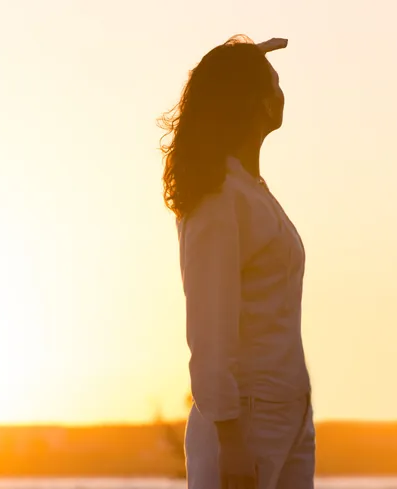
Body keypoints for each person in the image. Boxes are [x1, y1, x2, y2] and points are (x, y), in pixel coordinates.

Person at [159, 34, 315, 489]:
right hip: (247, 420)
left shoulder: (250, 189)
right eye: (273, 84)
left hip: (289, 414)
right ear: (253, 103)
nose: (281, 94)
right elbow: (208, 329)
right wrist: (231, 439)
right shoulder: (218, 198)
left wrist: (245, 62)